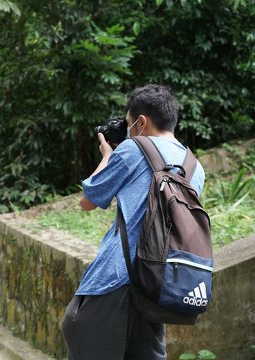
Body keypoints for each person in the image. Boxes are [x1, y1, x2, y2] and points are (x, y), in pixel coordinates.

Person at [61, 84, 205, 359]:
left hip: (116, 278)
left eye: (128, 124)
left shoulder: (133, 148)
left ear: (141, 122)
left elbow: (91, 197)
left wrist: (107, 157)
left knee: (76, 327)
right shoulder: (195, 167)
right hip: (158, 283)